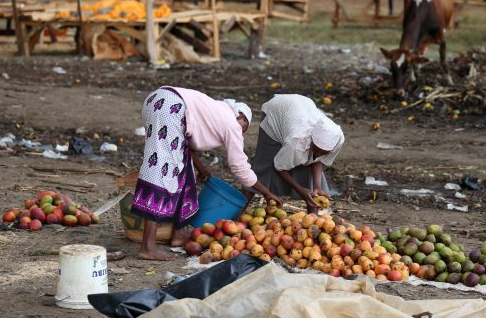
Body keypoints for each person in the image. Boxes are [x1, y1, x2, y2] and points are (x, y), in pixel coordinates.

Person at [132, 86, 283, 261]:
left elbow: (187, 147)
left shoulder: (214, 111)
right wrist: (267, 192)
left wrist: (201, 170)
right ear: (240, 117)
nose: (240, 133)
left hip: (156, 100)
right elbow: (239, 166)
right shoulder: (232, 122)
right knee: (162, 170)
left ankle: (179, 234)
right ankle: (148, 247)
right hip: (171, 105)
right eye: (244, 128)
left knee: (183, 170)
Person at [244, 94, 344, 214]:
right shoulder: (297, 142)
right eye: (316, 149)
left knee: (308, 168)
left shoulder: (337, 140)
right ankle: (238, 212)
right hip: (278, 111)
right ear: (311, 138)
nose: (317, 154)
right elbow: (279, 167)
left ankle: (313, 218)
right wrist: (300, 189)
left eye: (323, 152)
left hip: (301, 108)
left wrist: (317, 187)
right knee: (263, 165)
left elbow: (318, 160)